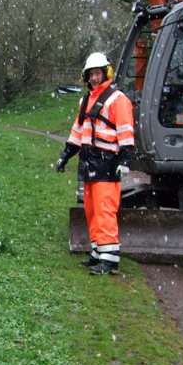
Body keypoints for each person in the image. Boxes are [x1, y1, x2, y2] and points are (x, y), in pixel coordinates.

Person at [55, 52, 135, 275]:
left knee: (104, 210)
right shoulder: (85, 101)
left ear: (106, 73)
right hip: (89, 162)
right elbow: (78, 132)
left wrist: (125, 160)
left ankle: (110, 260)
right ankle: (98, 252)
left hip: (107, 163)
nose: (95, 78)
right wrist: (65, 155)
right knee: (91, 210)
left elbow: (126, 132)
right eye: (91, 74)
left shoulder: (118, 100)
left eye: (98, 73)